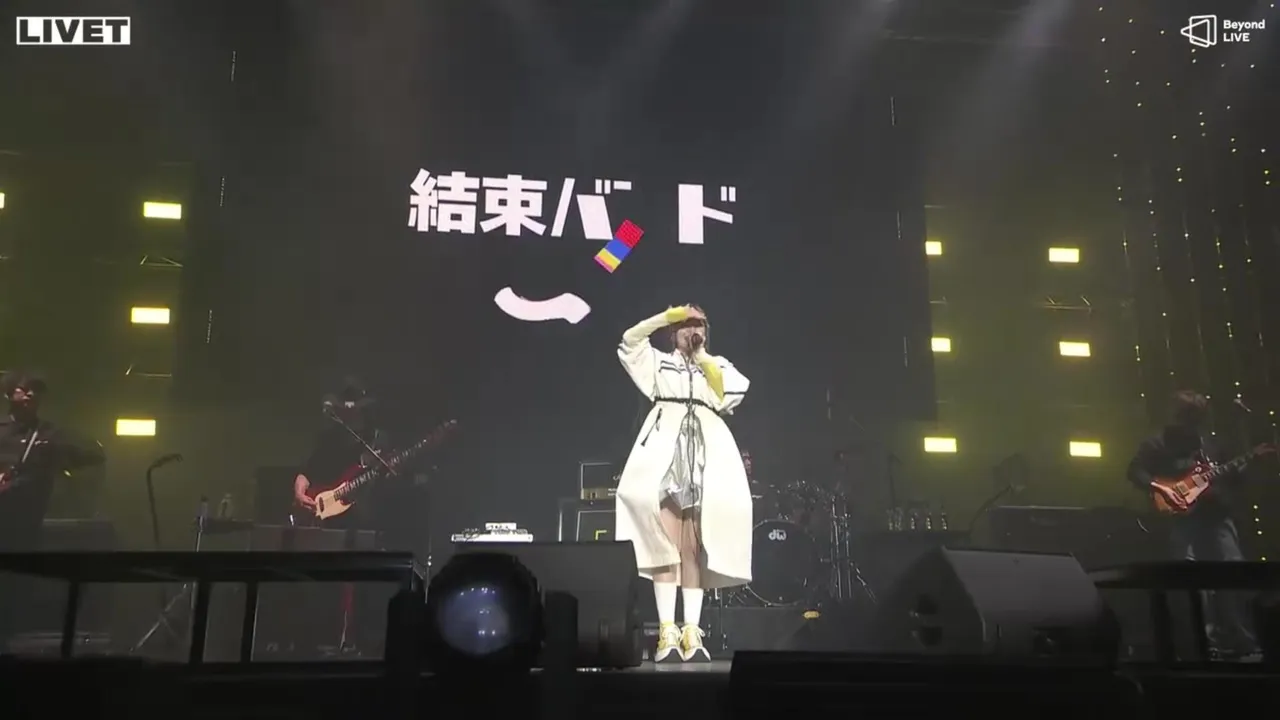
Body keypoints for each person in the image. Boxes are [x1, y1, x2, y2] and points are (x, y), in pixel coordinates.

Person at [614, 305, 752, 663]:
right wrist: (665, 316)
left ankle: (691, 628)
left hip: (705, 451)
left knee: (693, 545)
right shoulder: (659, 363)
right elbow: (630, 340)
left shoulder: (714, 365)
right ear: (673, 332)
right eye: (686, 325)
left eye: (700, 325)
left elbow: (731, 393)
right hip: (667, 449)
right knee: (665, 541)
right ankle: (667, 631)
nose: (694, 330)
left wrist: (702, 356)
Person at [1126, 389, 1260, 659]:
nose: (1190, 422)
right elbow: (1135, 471)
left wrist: (1243, 468)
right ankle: (1203, 640)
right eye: (1186, 415)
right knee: (1193, 577)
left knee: (1232, 571)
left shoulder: (1210, 444)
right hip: (1182, 520)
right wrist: (1160, 488)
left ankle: (1239, 637)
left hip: (1216, 515)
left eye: (1195, 416)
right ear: (1175, 415)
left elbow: (1233, 478)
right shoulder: (1157, 444)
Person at [0, 371, 105, 647]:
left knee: (18, 589)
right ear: (9, 394)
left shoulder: (51, 433)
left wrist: (56, 457)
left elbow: (94, 455)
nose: (31, 394)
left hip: (27, 526)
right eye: (24, 389)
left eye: (36, 390)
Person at [293, 376, 391, 531]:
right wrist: (299, 494)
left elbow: (386, 481)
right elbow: (306, 472)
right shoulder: (328, 439)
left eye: (351, 408)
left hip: (363, 522)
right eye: (342, 408)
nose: (346, 412)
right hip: (326, 522)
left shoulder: (377, 439)